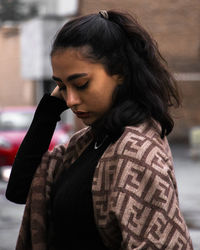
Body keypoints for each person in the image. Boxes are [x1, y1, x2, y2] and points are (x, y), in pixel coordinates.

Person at [6, 10, 193, 250]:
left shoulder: (135, 152)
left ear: (121, 74)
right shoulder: (86, 143)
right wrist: (50, 109)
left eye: (81, 84)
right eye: (62, 86)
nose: (70, 100)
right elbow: (20, 189)